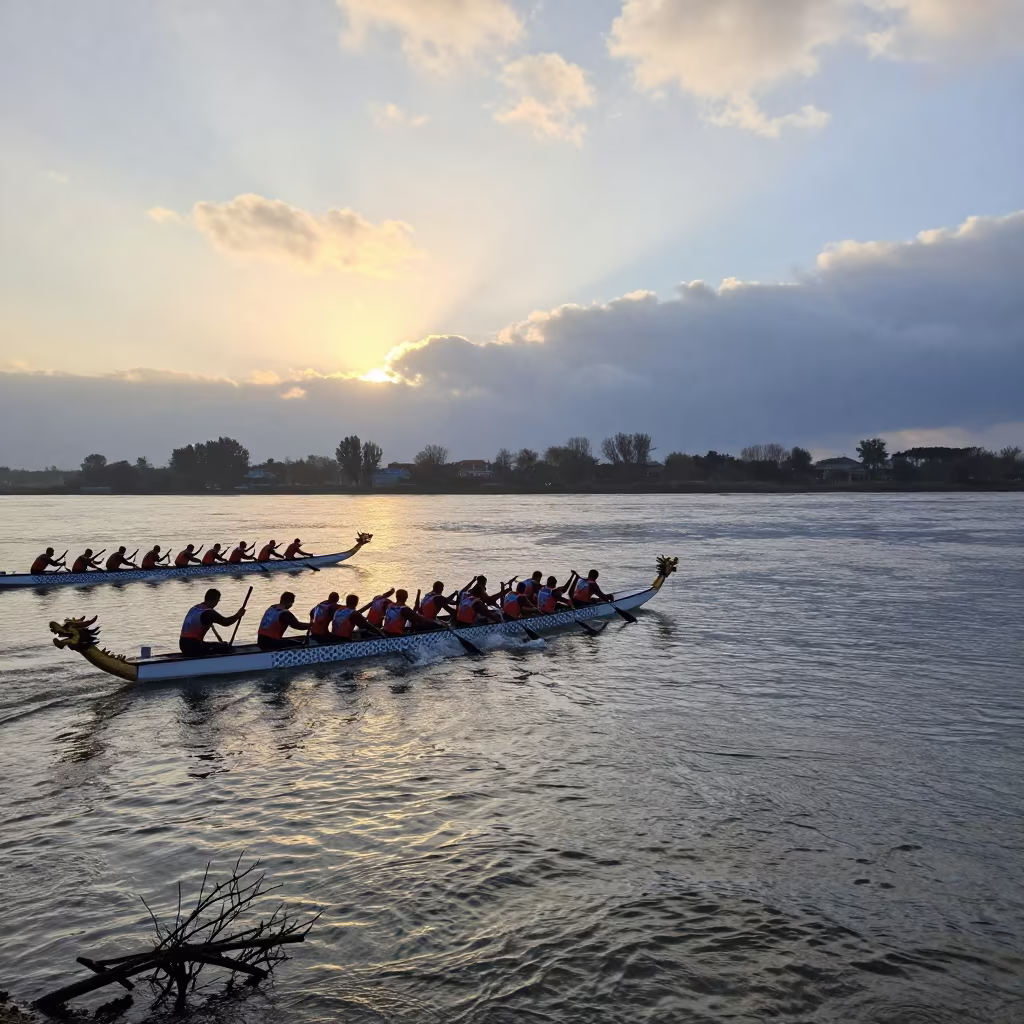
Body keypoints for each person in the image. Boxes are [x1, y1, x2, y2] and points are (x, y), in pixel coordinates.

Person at [179, 588, 247, 657]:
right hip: (194, 647)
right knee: (225, 647)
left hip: (183, 645)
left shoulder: (195, 608)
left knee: (221, 645)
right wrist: (238, 615)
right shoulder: (208, 613)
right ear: (215, 600)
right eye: (218, 601)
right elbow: (226, 622)